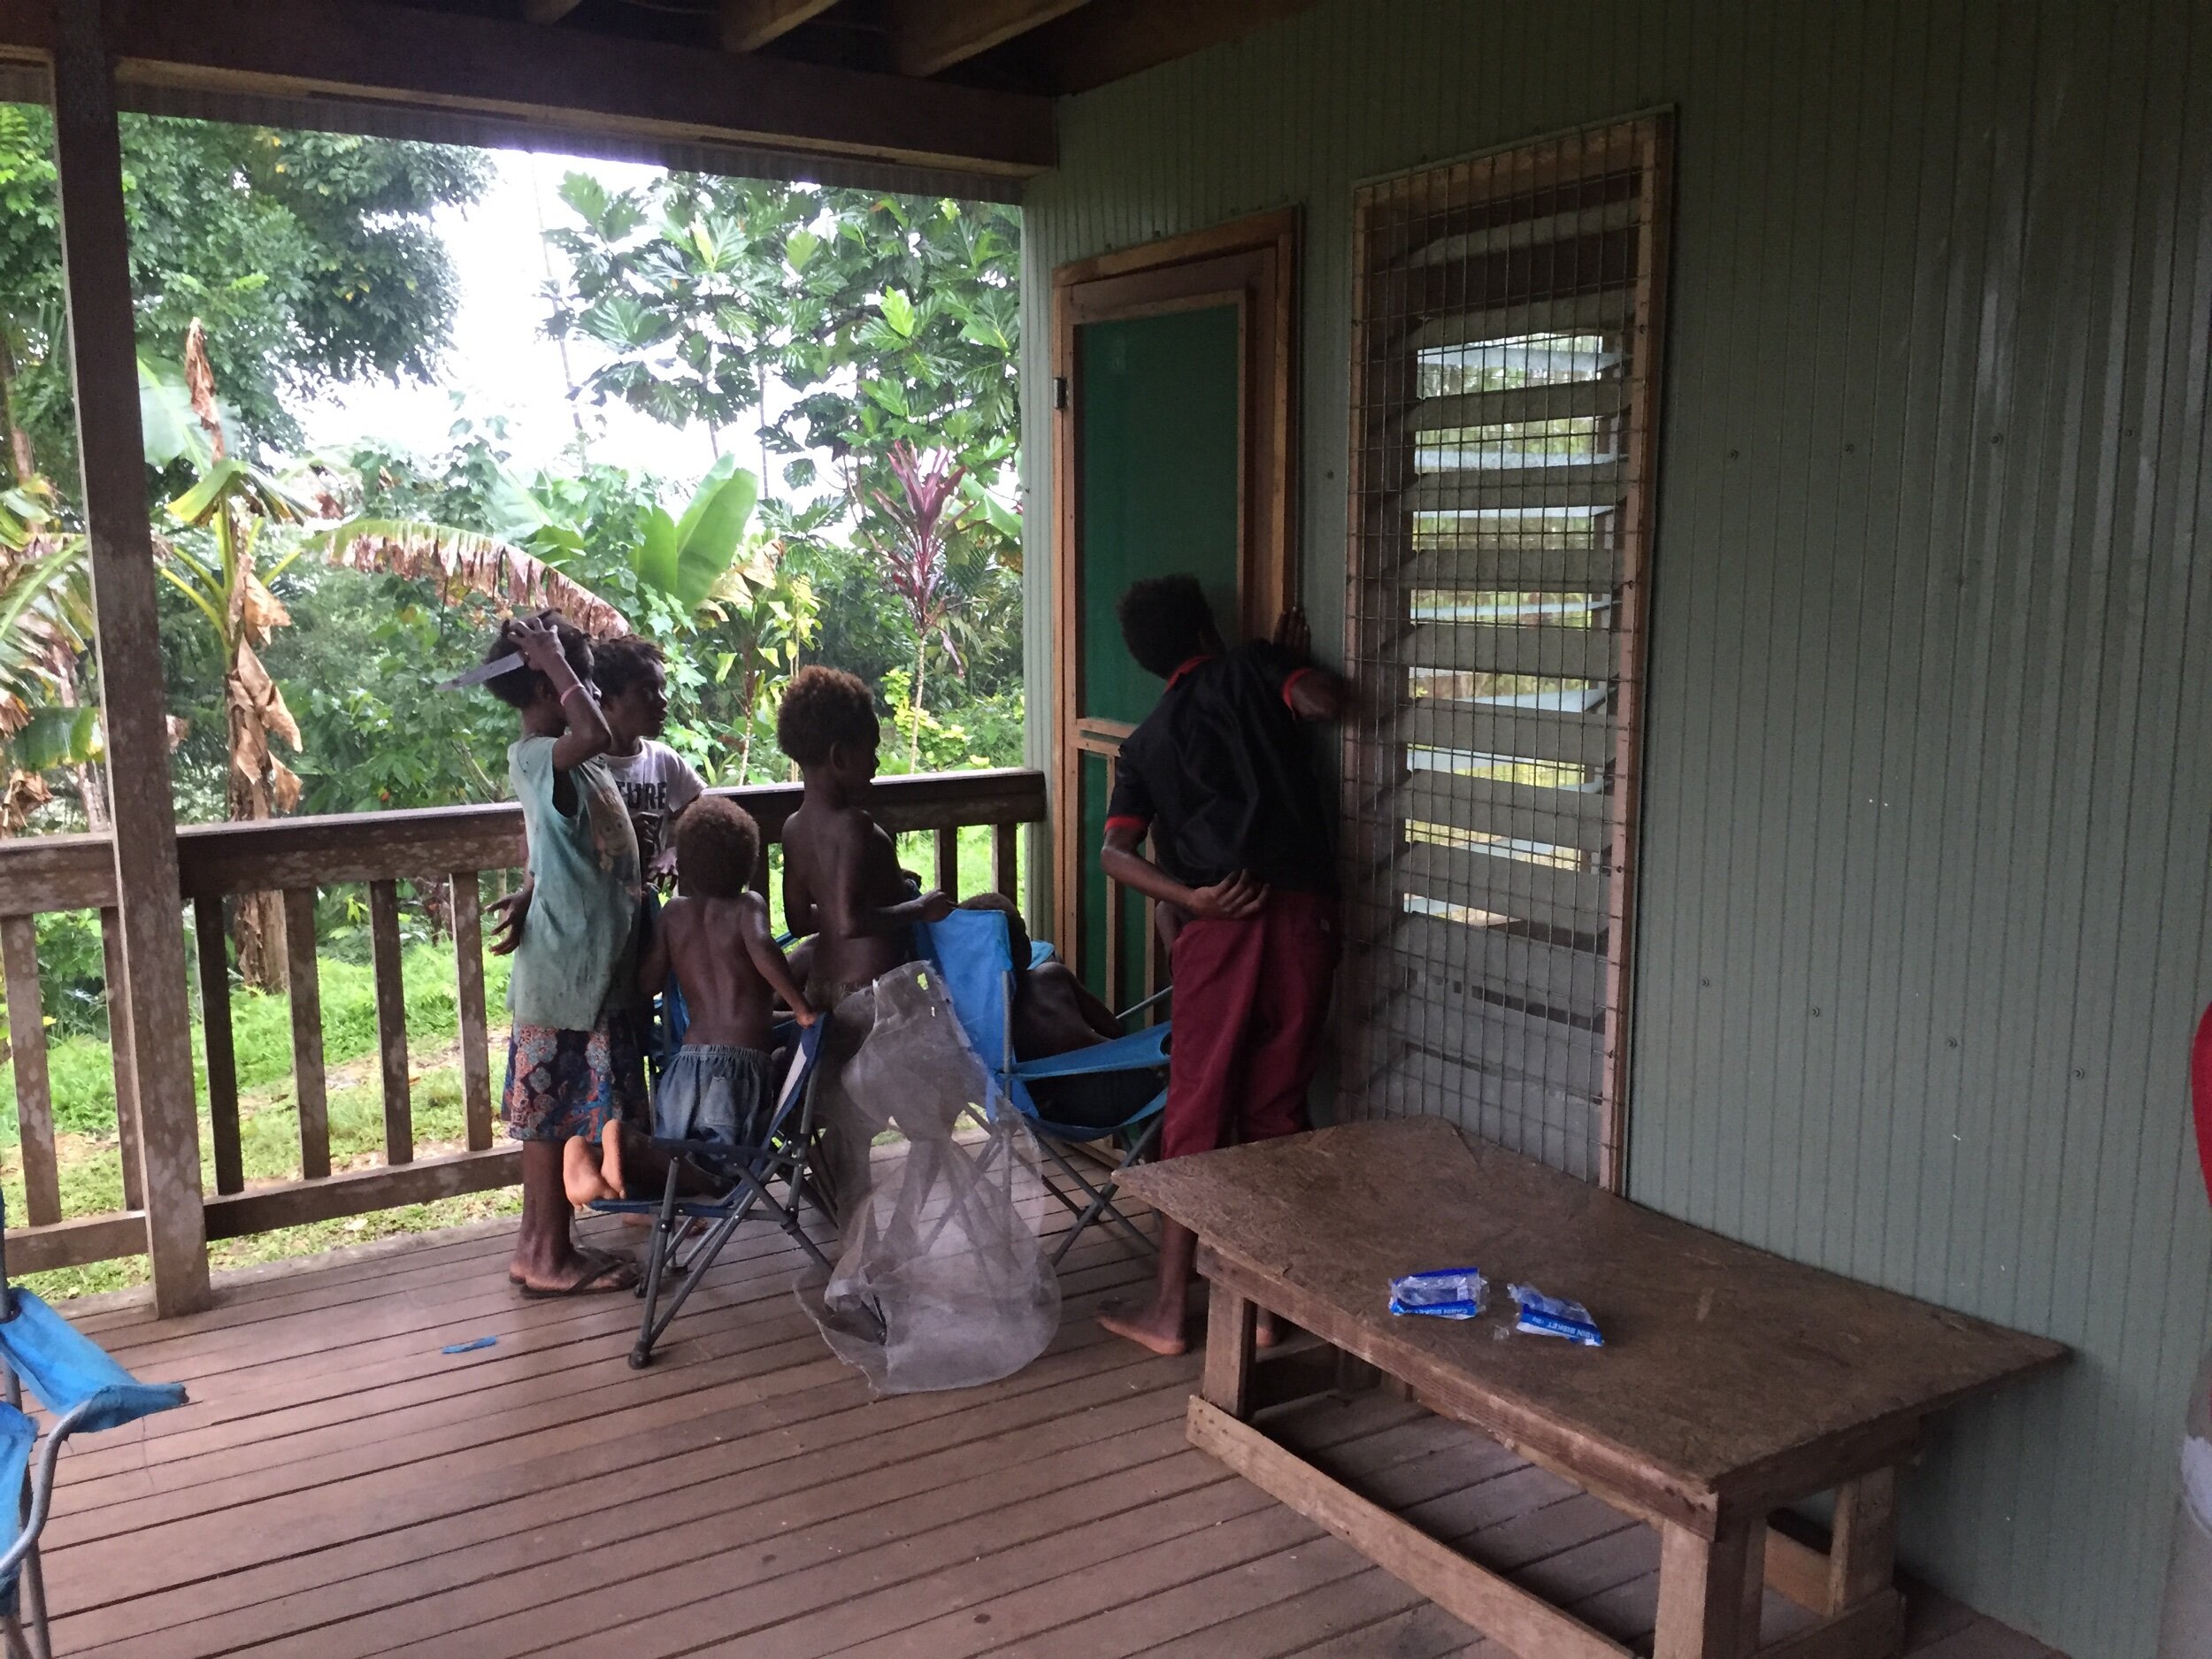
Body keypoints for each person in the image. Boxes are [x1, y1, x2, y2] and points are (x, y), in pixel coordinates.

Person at [1092, 577, 1348, 1357]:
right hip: (1304, 914)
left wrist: (1191, 897)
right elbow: (1329, 702)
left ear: (1146, 660)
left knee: (1197, 1114)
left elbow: (1113, 853)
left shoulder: (1147, 743)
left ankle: (1171, 1310)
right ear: (1208, 626)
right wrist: (1283, 671)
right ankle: (1268, 1309)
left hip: (1219, 930)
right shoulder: (1254, 669)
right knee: (1276, 1108)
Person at [482, 612, 645, 1297]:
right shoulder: (539, 753)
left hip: (580, 967)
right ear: (550, 686)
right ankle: (550, 1253)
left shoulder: (566, 761)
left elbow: (557, 847)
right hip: (562, 973)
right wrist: (553, 657)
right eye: (575, 680)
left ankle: (539, 1247)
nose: (588, 693)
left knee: (554, 1116)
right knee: (547, 1121)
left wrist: (529, 889)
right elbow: (597, 731)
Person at [564, 795, 818, 1207]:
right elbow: (763, 949)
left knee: (678, 1159)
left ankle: (594, 1154)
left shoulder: (674, 914)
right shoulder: (746, 907)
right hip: (736, 1068)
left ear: (684, 865)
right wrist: (801, 1008)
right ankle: (625, 1145)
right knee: (723, 1173)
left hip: (684, 1067)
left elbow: (647, 984)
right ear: (748, 864)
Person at [777, 665, 954, 1210]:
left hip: (829, 989)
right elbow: (852, 920)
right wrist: (918, 907)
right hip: (879, 999)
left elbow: (805, 920)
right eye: (870, 750)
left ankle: (855, 1243)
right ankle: (896, 1243)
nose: (877, 762)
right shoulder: (855, 826)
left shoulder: (794, 826)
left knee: (852, 1129)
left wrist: (890, 891)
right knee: (934, 1118)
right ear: (837, 756)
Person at [957, 893, 1163, 1129]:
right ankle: (1154, 1163)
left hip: (1041, 1113)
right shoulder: (1052, 975)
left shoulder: (980, 1013)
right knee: (1160, 1084)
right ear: (1024, 945)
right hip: (1104, 1099)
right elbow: (1113, 1028)